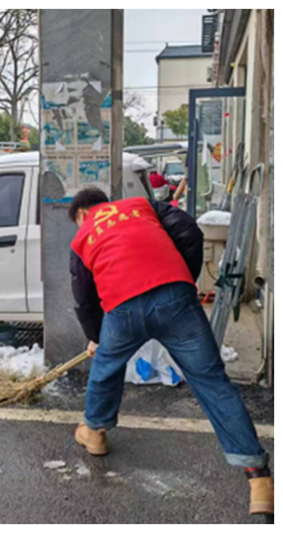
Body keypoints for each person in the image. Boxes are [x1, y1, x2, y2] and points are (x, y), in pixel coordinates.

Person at [68, 187, 273, 516]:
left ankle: (94, 433)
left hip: (122, 308)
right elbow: (189, 229)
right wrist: (181, 280)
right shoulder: (140, 205)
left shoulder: (83, 237)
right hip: (175, 297)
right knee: (212, 382)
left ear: (81, 214)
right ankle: (258, 479)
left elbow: (84, 297)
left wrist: (96, 338)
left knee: (106, 370)